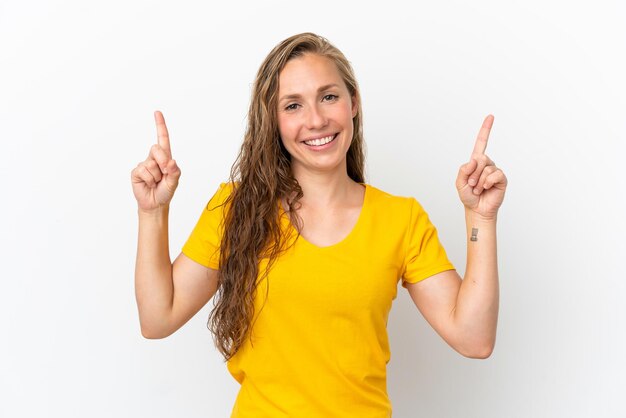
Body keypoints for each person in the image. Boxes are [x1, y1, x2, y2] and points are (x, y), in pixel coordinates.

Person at [131, 32, 507, 417]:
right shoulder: (235, 209)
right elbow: (159, 318)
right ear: (273, 121)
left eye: (329, 97)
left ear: (353, 102)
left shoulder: (401, 219)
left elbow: (474, 339)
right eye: (293, 105)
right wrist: (152, 212)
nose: (316, 119)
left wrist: (481, 217)